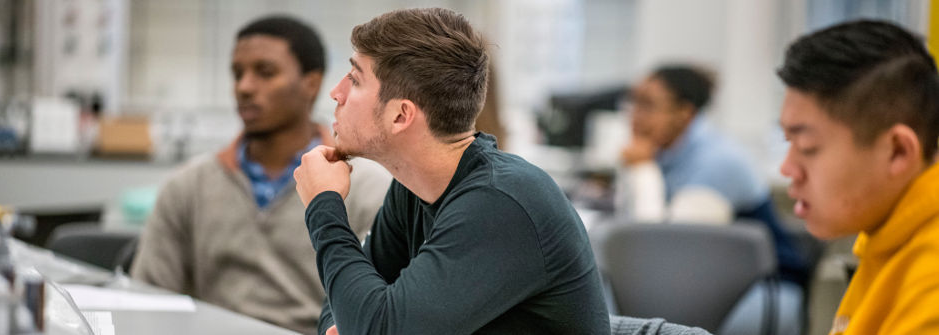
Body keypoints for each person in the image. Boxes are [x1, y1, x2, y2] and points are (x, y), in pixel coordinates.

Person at [293, 8, 610, 335]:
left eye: (355, 80)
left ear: (401, 116)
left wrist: (324, 206)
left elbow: (377, 327)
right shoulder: (413, 188)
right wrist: (342, 323)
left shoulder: (501, 203)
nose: (336, 93)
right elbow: (341, 305)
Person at [131, 16, 391, 333]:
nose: (244, 87)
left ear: (312, 83)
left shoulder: (366, 187)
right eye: (238, 74)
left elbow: (374, 310)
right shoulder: (189, 186)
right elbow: (148, 299)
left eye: (265, 72)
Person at [777, 20, 939, 334]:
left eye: (807, 146)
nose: (787, 168)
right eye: (787, 142)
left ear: (897, 153)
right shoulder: (886, 238)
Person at [617, 65, 807, 284]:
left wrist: (642, 170)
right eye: (632, 102)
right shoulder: (665, 152)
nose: (634, 116)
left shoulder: (718, 161)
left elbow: (663, 253)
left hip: (768, 286)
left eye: (647, 105)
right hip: (709, 280)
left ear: (684, 113)